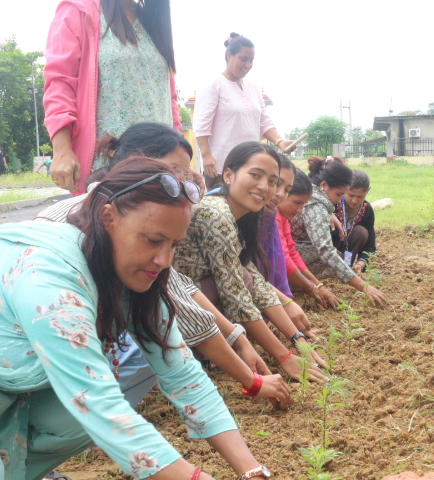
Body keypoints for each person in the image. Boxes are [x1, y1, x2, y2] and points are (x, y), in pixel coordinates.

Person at [0, 158, 272, 480]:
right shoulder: (48, 275)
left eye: (173, 245)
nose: (163, 259)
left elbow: (184, 375)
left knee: (72, 418)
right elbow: (97, 404)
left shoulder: (131, 273)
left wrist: (251, 470)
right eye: (153, 240)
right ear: (109, 218)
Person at [35, 122, 289, 410]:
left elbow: (182, 286)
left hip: (53, 358)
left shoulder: (132, 211)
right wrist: (255, 374)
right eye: (172, 174)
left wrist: (239, 340)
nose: (179, 185)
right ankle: (85, 411)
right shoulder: (99, 219)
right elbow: (184, 308)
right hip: (43, 368)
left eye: (184, 175)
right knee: (155, 337)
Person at [173, 141, 327, 382]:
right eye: (255, 175)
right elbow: (236, 294)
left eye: (274, 182)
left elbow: (254, 279)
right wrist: (284, 357)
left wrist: (297, 338)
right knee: (239, 283)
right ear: (228, 175)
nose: (266, 188)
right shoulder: (217, 214)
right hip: (173, 308)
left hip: (191, 301)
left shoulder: (244, 214)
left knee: (245, 276)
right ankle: (200, 352)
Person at [43, 0, 181, 193]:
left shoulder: (151, 19)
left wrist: (182, 153)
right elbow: (60, 83)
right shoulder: (78, 11)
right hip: (107, 167)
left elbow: (169, 97)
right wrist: (61, 149)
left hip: (161, 166)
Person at [193, 32, 295, 191]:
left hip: (252, 168)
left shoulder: (253, 88)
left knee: (249, 214)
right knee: (223, 213)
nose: (248, 64)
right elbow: (201, 125)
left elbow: (264, 121)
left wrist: (280, 141)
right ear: (229, 55)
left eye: (251, 60)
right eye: (244, 59)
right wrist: (206, 156)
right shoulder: (214, 85)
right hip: (221, 168)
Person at [291, 156, 388, 307]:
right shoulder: (316, 206)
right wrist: (363, 286)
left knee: (333, 253)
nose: (340, 199)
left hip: (292, 251)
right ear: (324, 185)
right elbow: (325, 250)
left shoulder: (318, 199)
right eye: (339, 194)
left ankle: (298, 283)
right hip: (285, 254)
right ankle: (293, 284)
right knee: (325, 253)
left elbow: (369, 243)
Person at [257, 154, 314, 336]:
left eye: (286, 189)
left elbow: (285, 256)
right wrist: (310, 287)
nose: (279, 193)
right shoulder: (264, 213)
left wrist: (287, 302)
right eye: (275, 183)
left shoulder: (271, 215)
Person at [276, 168, 342, 309]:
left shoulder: (282, 217)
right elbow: (283, 259)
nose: (300, 210)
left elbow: (291, 252)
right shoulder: (272, 217)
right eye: (297, 202)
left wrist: (317, 285)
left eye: (303, 204)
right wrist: (310, 287)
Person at [331, 169, 377, 274]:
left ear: (367, 192)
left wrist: (361, 263)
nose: (355, 201)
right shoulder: (332, 205)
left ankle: (347, 268)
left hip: (348, 252)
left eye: (360, 196)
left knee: (361, 232)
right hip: (328, 250)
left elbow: (370, 244)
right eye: (351, 195)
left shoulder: (367, 210)